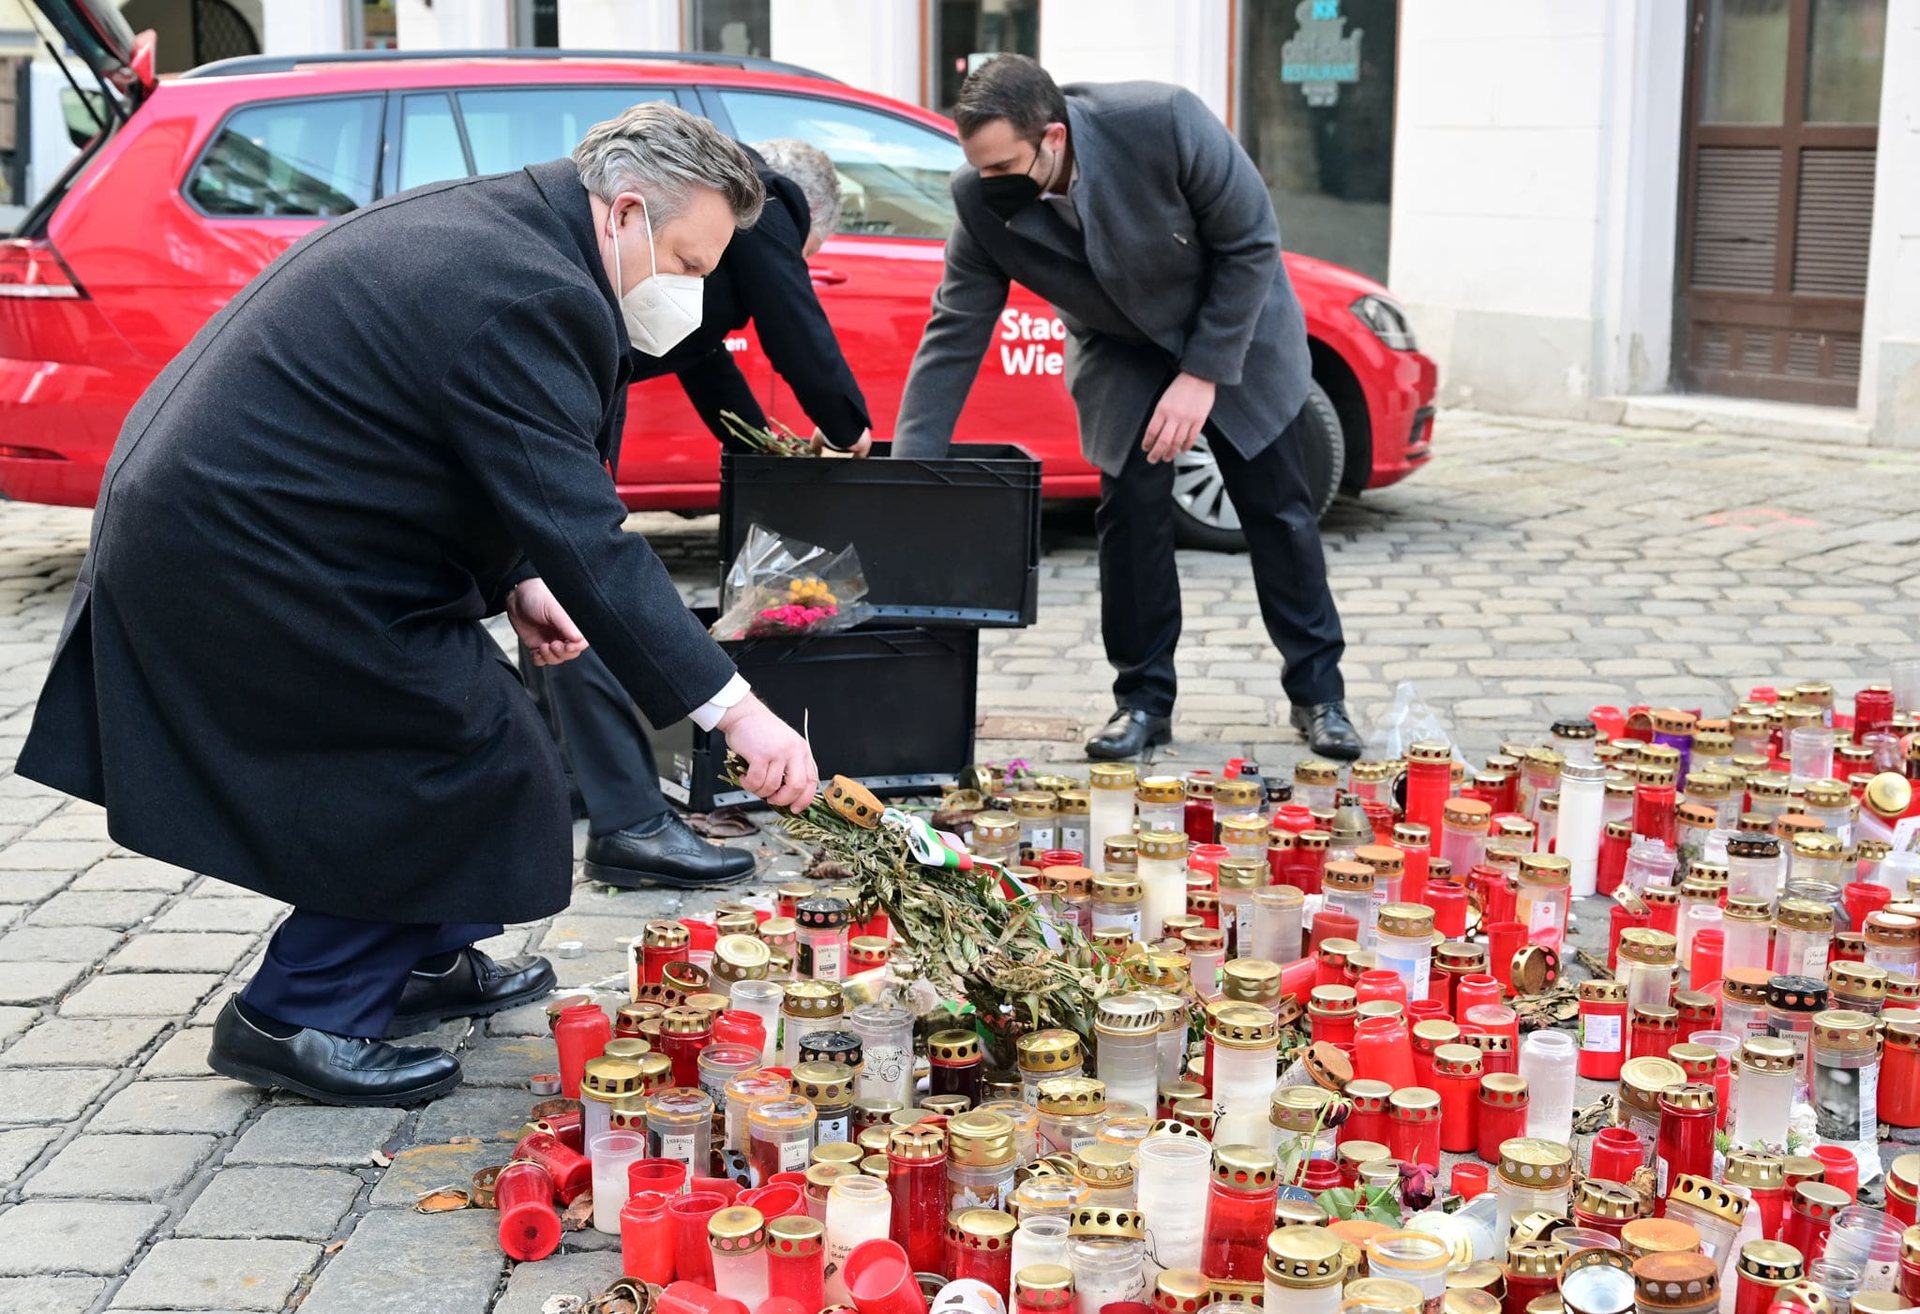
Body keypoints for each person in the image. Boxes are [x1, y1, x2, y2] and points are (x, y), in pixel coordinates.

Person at [13, 104, 819, 1107]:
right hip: (244, 545)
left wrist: (518, 577)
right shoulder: (530, 286)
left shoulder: (522, 234)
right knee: (449, 757)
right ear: (622, 212)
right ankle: (296, 1013)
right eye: (691, 264)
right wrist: (732, 708)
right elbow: (588, 531)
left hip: (284, 522)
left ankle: (417, 959)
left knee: (488, 745)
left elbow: (490, 452)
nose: (694, 294)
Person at [891, 55, 1363, 763]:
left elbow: (1251, 241)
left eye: (1003, 165)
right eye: (978, 166)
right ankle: (1141, 700)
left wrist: (1203, 374)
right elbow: (954, 330)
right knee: (1130, 513)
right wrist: (908, 472)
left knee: (1277, 511)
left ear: (1053, 137)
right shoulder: (981, 201)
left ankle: (1319, 694)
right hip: (1122, 347)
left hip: (1234, 323)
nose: (989, 183)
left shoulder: (1161, 121)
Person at [523, 138, 871, 891]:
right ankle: (629, 821)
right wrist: (850, 428)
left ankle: (580, 776)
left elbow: (701, 352)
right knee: (581, 573)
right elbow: (793, 324)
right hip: (568, 386)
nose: (700, 279)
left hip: (583, 381)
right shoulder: (764, 206)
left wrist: (760, 449)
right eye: (690, 264)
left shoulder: (674, 225)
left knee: (549, 581)